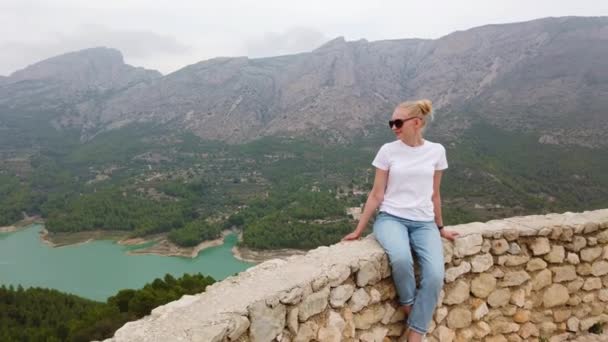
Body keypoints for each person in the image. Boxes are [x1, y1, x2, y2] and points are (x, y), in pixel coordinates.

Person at [343, 99, 459, 342]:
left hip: (424, 222)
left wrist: (440, 227)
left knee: (435, 275)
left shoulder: (437, 151)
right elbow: (377, 194)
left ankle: (415, 333)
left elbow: (435, 194)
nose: (393, 127)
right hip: (391, 219)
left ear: (417, 123)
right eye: (391, 123)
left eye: (398, 122)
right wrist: (358, 230)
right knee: (401, 259)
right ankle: (411, 312)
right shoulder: (388, 151)